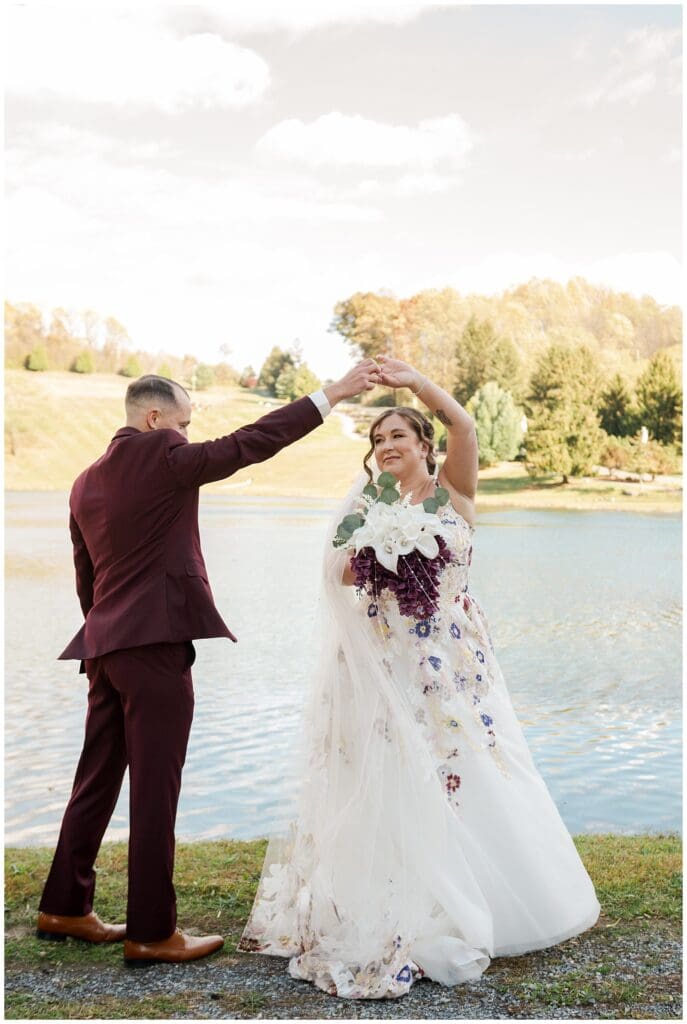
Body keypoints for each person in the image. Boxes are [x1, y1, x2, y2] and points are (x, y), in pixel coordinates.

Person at [238, 354, 601, 999]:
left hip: (456, 664)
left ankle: (508, 899)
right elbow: (337, 572)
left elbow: (466, 426)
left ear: (424, 444)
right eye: (378, 439)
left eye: (398, 434)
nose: (386, 446)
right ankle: (401, 896)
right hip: (390, 663)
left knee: (473, 765)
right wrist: (379, 550)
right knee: (397, 772)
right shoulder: (369, 504)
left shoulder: (455, 490)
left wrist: (414, 383)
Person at [36, 361, 381, 965]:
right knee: (155, 788)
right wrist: (334, 393)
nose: (189, 436)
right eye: (185, 424)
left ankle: (64, 906)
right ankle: (152, 932)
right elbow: (252, 442)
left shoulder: (85, 481)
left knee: (94, 779)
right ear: (154, 419)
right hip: (154, 647)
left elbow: (85, 575)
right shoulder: (164, 455)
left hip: (105, 647)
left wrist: (103, 637)